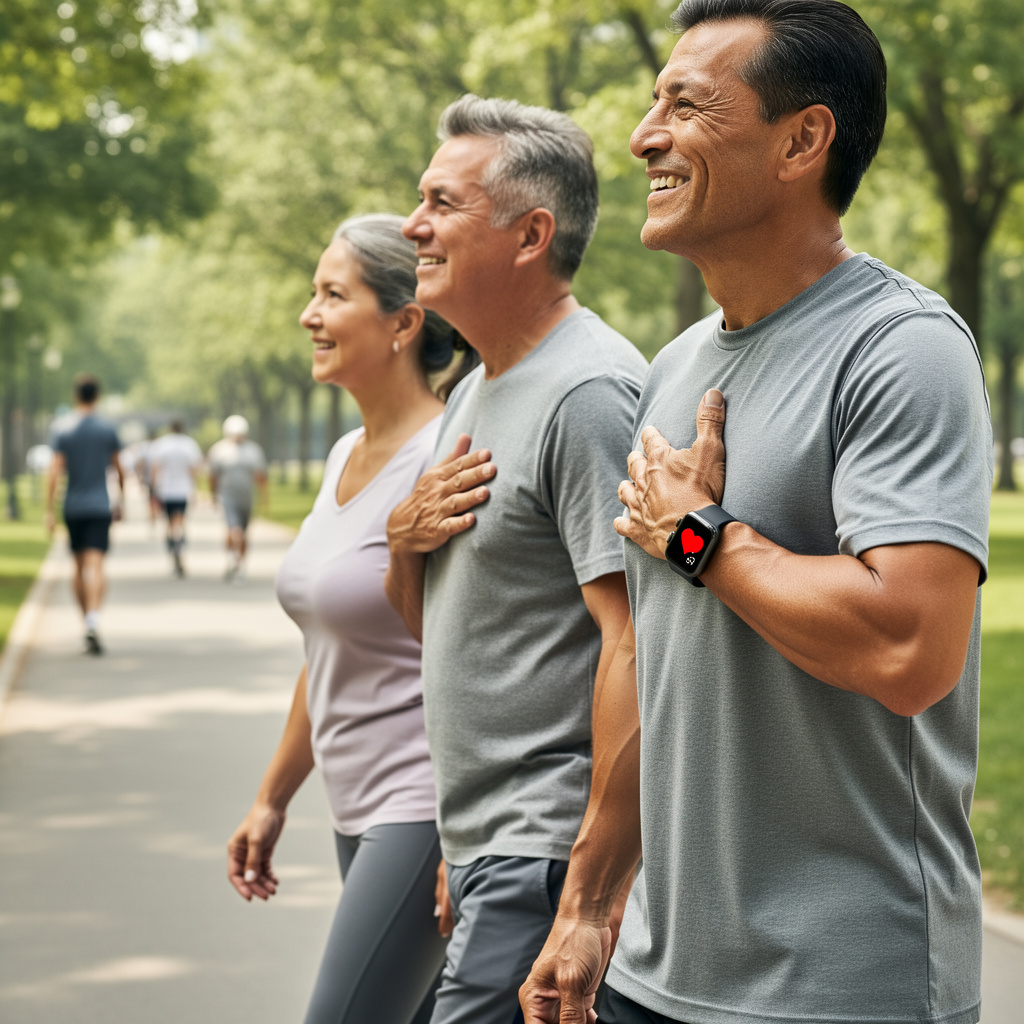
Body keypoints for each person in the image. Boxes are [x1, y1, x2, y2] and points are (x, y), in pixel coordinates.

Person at [520, 3, 994, 1024]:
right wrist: (592, 902)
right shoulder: (677, 367)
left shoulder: (900, 346)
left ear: (801, 140)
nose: (645, 136)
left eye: (686, 105)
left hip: (839, 985)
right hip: (654, 971)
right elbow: (652, 656)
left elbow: (910, 643)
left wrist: (702, 537)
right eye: (653, 106)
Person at [385, 95, 648, 1024]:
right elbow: (458, 627)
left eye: (442, 203)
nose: (413, 224)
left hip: (546, 847)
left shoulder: (588, 394)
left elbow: (639, 647)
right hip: (491, 845)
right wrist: (400, 543)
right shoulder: (478, 389)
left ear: (531, 234)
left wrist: (581, 892)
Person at [227, 214, 477, 1024]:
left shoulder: (449, 454)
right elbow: (330, 645)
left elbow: (481, 649)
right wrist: (273, 798)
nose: (309, 315)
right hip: (353, 802)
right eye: (313, 293)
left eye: (333, 295)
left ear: (403, 323)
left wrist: (466, 828)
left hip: (424, 802)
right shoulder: (343, 454)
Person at [45, 374, 124, 655]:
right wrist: (121, 498)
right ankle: (94, 619)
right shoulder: (106, 429)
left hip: (73, 506)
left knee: (78, 567)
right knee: (98, 565)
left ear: (76, 395)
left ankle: (85, 622)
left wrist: (48, 511)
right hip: (100, 505)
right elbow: (118, 467)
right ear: (97, 396)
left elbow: (54, 471)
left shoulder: (63, 429)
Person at [207, 414, 268, 581]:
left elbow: (260, 475)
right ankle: (235, 562)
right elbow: (213, 476)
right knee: (235, 530)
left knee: (244, 533)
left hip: (247, 497)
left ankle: (240, 563)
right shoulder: (219, 450)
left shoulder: (253, 450)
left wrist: (264, 497)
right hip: (228, 496)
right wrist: (213, 495)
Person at [148, 419, 203, 577]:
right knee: (179, 519)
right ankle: (179, 542)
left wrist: (153, 488)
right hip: (183, 489)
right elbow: (194, 469)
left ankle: (173, 542)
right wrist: (194, 488)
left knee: (169, 521)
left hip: (165, 490)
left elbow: (155, 468)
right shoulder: (189, 444)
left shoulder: (161, 445)